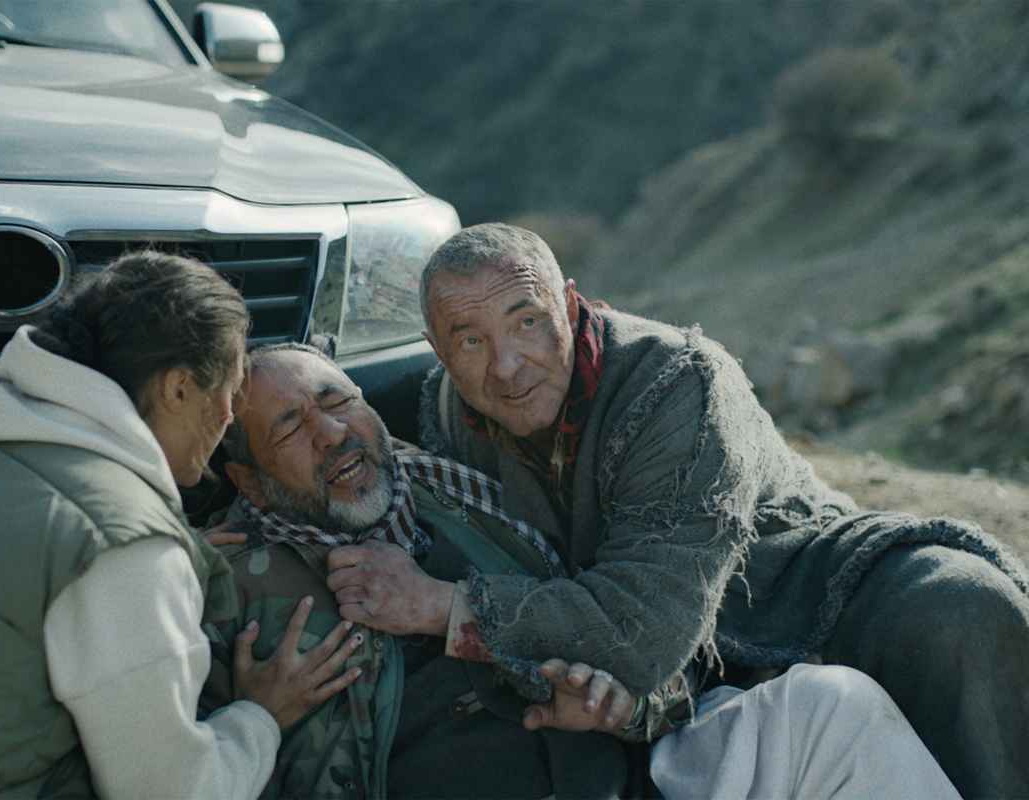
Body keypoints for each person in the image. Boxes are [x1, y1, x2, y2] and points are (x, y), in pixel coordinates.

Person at [386, 222, 1029, 800]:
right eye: (471, 340)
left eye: (527, 322)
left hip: (789, 581)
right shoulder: (448, 415)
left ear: (570, 305)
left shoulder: (678, 382)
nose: (506, 366)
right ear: (438, 351)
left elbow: (644, 628)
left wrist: (446, 606)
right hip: (638, 642)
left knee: (962, 604)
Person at [206, 342, 962, 800]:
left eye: (338, 400)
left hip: (640, 775)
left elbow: (640, 641)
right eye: (290, 427)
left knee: (831, 709)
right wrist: (259, 721)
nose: (332, 433)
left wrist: (621, 706)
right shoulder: (233, 583)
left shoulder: (464, 494)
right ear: (248, 482)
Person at [0, 252, 359, 800]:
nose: (228, 417)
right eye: (230, 391)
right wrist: (259, 717)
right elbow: (171, 793)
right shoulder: (124, 552)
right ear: (179, 388)